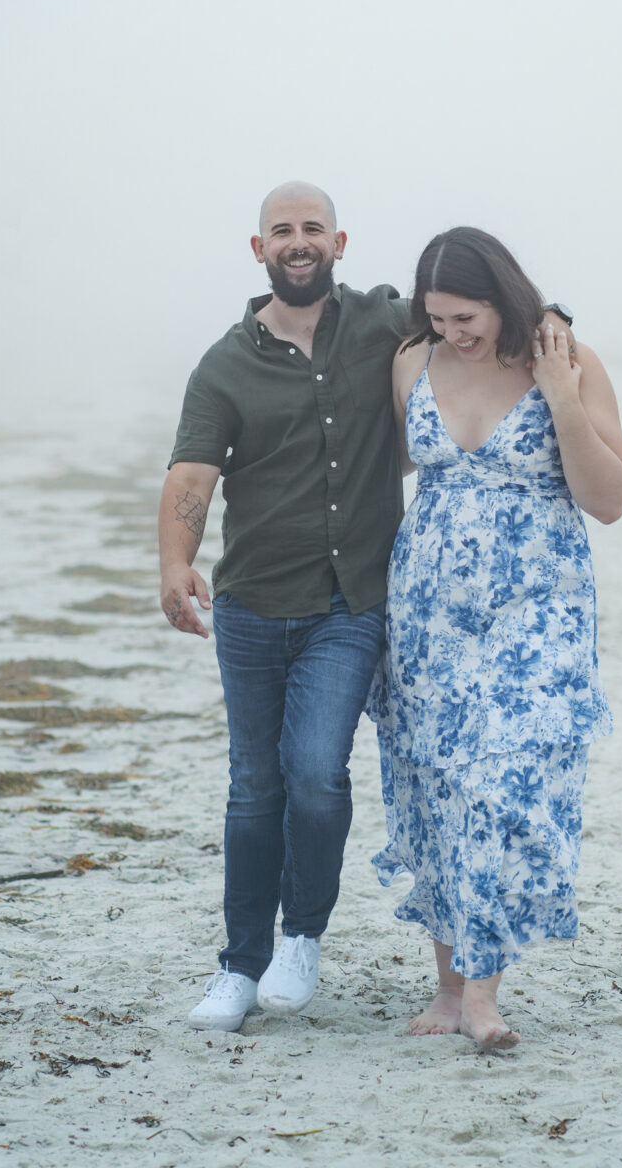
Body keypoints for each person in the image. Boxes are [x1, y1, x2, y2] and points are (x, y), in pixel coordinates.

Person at [369, 227, 622, 1051]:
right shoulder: (411, 361)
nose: (455, 332)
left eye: (468, 315)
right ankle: (450, 992)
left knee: (507, 785)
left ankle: (483, 995)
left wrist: (558, 394)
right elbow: (385, 466)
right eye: (440, 317)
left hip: (538, 611)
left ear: (504, 296)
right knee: (439, 789)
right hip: (427, 614)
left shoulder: (567, 358)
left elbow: (610, 497)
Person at [159, 182, 409, 1033]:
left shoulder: (383, 323)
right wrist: (174, 563)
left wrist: (547, 316)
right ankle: (239, 966)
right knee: (253, 786)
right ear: (257, 248)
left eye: (312, 229)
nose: (296, 242)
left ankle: (301, 937)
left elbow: (467, 313)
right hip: (254, 604)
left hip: (351, 603)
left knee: (314, 772)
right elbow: (192, 474)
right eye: (281, 231)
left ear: (339, 242)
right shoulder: (225, 363)